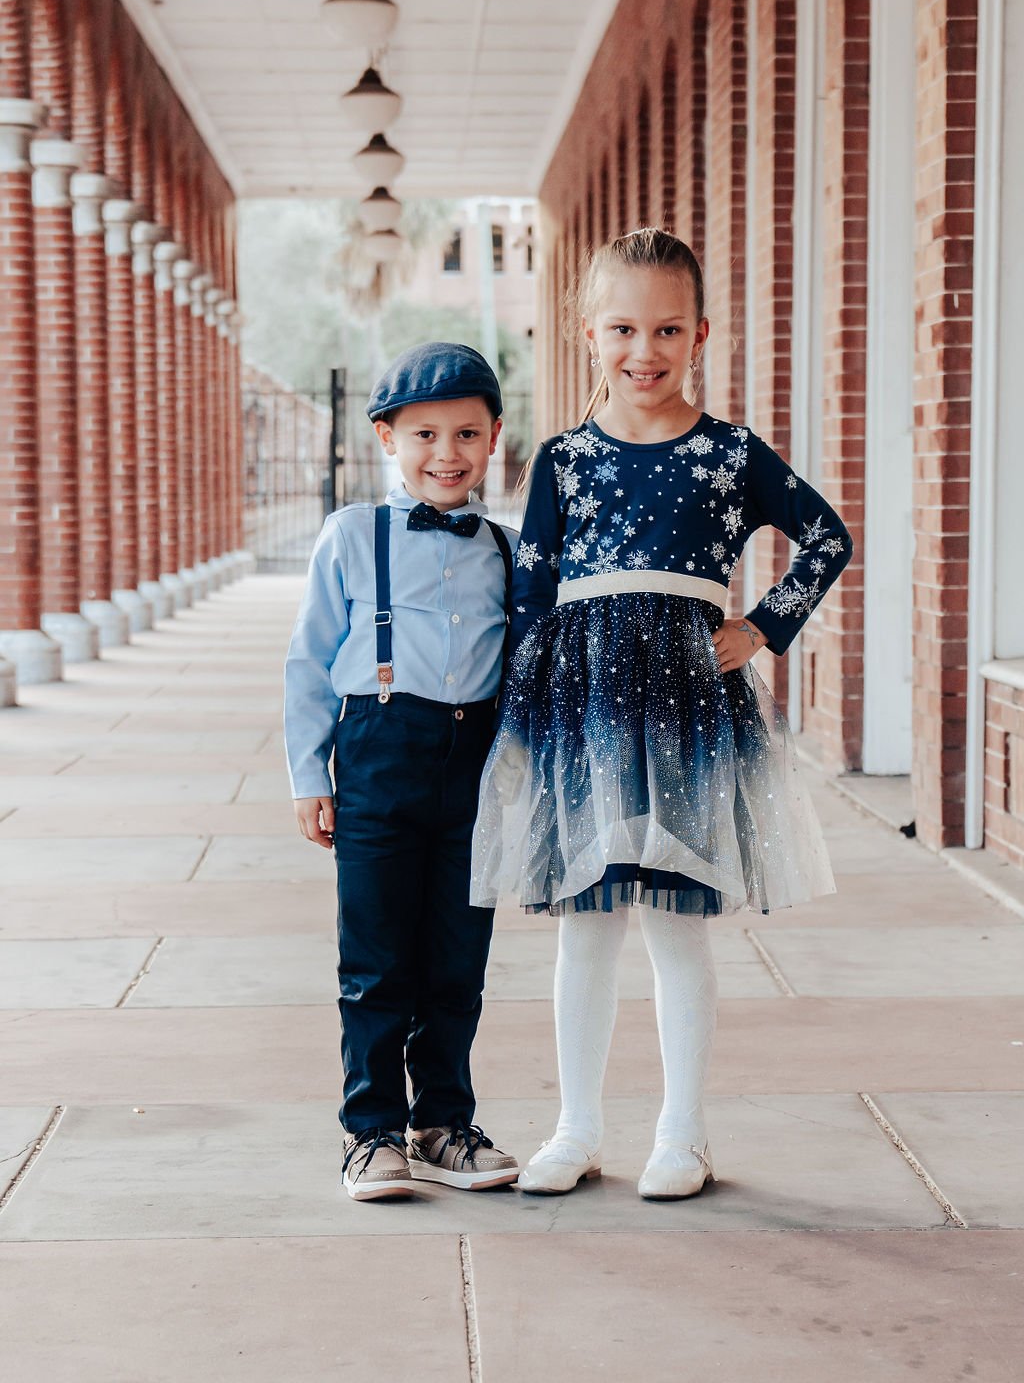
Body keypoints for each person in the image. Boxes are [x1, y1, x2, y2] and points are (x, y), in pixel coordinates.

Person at [471, 228, 853, 1200]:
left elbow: (823, 536)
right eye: (624, 328)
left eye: (667, 329)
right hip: (584, 704)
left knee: (677, 924)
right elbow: (531, 585)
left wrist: (762, 626)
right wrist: (519, 710)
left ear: (701, 336)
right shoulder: (560, 460)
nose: (645, 349)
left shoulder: (728, 454)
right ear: (589, 332)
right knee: (585, 926)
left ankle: (680, 1135)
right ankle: (576, 1128)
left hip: (686, 704)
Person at [285, 342, 520, 1202]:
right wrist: (310, 776)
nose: (446, 454)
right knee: (377, 957)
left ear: (495, 438)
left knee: (459, 957)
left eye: (466, 433)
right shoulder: (352, 535)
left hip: (477, 762)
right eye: (425, 433)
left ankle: (443, 1123)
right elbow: (308, 666)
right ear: (387, 437)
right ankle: (371, 1131)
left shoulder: (509, 547)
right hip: (379, 752)